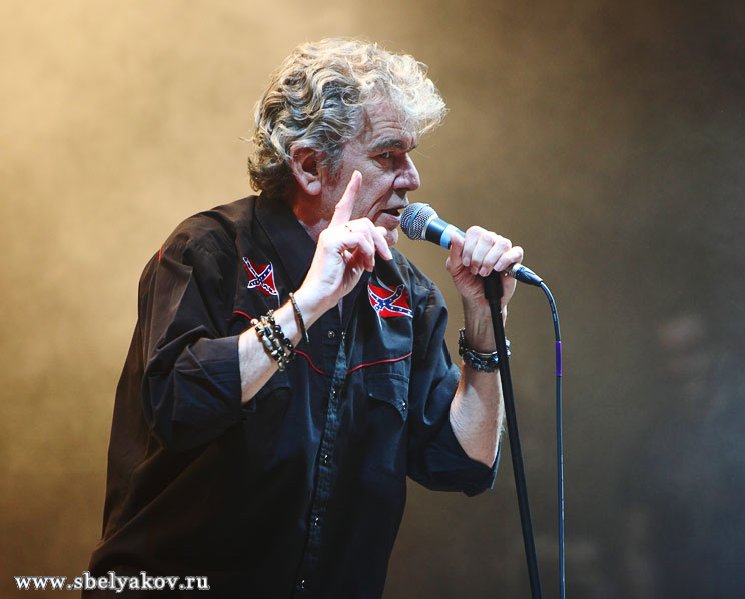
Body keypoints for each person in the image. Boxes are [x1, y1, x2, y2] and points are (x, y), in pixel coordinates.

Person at [87, 38, 523, 597]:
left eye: (411, 154)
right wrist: (308, 304)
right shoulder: (209, 250)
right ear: (311, 166)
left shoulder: (406, 293)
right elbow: (177, 405)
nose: (412, 177)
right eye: (388, 156)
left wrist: (485, 323)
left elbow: (464, 461)